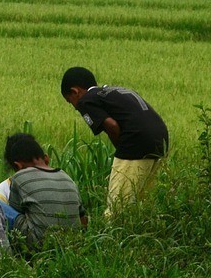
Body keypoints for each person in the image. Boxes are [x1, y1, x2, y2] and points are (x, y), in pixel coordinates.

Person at [61, 66, 168, 216]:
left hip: (136, 141)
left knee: (117, 208)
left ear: (75, 91)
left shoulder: (86, 100)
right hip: (160, 139)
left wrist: (122, 151)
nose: (74, 106)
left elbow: (111, 125)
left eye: (69, 101)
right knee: (142, 204)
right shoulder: (114, 91)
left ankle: (111, 236)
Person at [0, 133, 86, 249]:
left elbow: (17, 214)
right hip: (73, 243)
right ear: (46, 158)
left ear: (18, 166)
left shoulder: (19, 177)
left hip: (38, 244)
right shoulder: (67, 177)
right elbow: (83, 220)